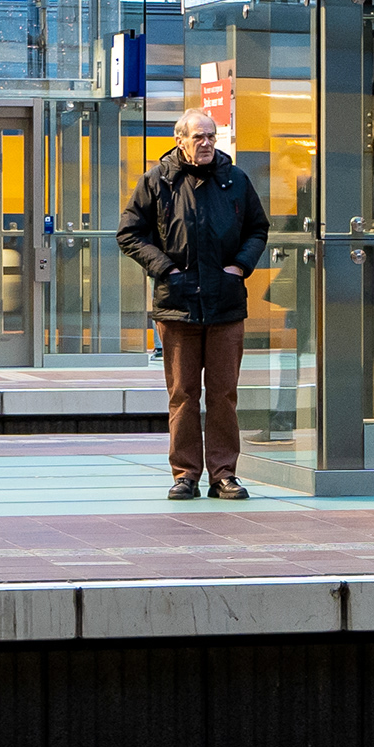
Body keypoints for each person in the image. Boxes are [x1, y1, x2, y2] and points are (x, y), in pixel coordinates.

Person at [118, 106, 268, 501]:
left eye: (211, 137)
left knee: (223, 394)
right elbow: (129, 233)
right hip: (178, 305)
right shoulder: (156, 182)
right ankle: (185, 474)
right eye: (198, 137)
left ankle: (224, 475)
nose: (206, 144)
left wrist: (240, 266)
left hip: (226, 304)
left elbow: (258, 228)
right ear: (180, 140)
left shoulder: (235, 180)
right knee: (183, 394)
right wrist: (165, 269)